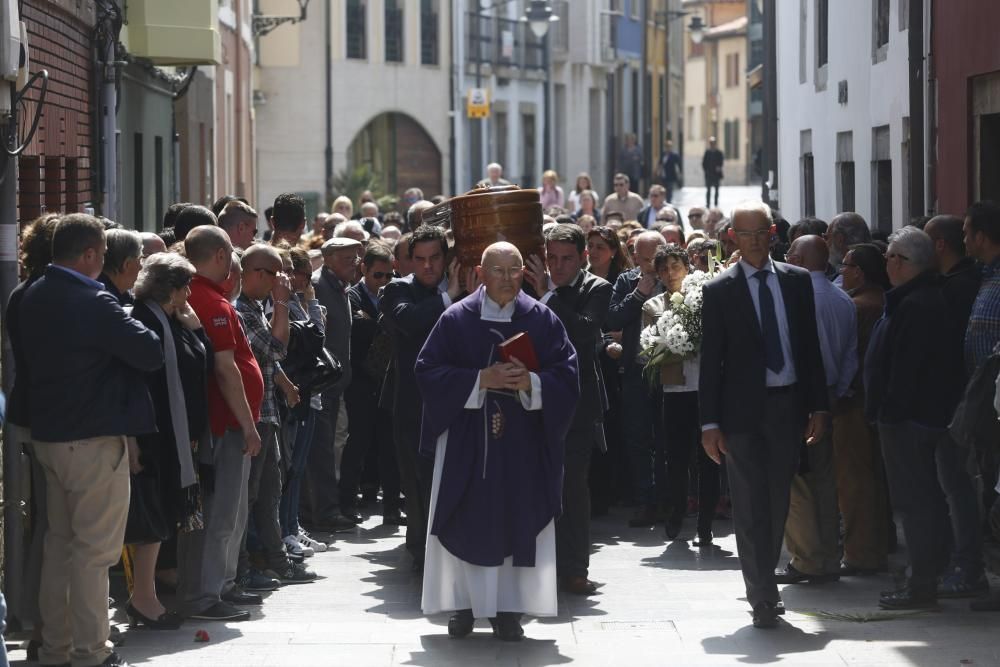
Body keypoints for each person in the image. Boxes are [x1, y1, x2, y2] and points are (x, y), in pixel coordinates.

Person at [21, 214, 164, 667]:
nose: (104, 263)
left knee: (59, 546)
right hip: (93, 439)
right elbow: (149, 350)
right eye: (101, 254)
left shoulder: (30, 294)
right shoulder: (93, 299)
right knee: (93, 553)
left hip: (48, 436)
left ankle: (56, 648)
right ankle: (90, 651)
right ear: (88, 254)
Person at [416, 241, 579, 641]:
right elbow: (427, 369)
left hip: (523, 443)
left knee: (518, 515)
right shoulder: (457, 318)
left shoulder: (542, 319)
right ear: (481, 274)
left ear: (525, 271)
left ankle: (510, 610)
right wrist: (478, 380)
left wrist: (533, 383)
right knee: (467, 517)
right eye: (498, 271)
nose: (507, 279)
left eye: (514, 270)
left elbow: (569, 375)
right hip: (467, 442)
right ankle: (464, 606)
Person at [699, 201, 829, 629]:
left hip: (787, 406)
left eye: (761, 233)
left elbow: (809, 348)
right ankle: (762, 595)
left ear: (773, 233)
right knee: (750, 504)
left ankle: (766, 581)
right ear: (732, 236)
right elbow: (711, 361)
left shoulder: (796, 282)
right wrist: (709, 424)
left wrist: (819, 406)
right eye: (745, 234)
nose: (754, 241)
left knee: (777, 501)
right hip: (740, 415)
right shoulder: (720, 289)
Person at [864, 227, 965, 610]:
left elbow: (906, 369)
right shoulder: (913, 299)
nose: (887, 263)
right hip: (912, 418)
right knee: (923, 500)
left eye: (893, 256)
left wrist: (889, 413)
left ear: (907, 263)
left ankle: (922, 582)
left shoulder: (918, 303)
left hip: (910, 421)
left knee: (916, 502)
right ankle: (925, 575)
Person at [179, 225, 264, 623]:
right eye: (231, 253)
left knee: (231, 511)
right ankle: (205, 595)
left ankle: (221, 585)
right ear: (219, 255)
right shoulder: (209, 300)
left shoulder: (203, 295)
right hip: (225, 425)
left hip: (223, 423)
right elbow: (226, 370)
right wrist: (248, 426)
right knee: (221, 513)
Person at [524, 224, 612, 596]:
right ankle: (534, 565)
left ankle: (576, 568)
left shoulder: (596, 289)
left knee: (573, 486)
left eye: (567, 259)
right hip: (529, 400)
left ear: (582, 258)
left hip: (576, 403)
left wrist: (548, 294)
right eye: (552, 258)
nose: (557, 267)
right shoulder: (528, 285)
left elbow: (584, 332)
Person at [127, 253, 212, 630]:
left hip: (175, 435)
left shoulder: (173, 319)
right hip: (155, 434)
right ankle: (143, 598)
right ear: (172, 290)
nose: (191, 292)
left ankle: (148, 594)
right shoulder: (145, 318)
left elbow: (196, 364)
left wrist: (196, 331)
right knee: (153, 515)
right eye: (186, 286)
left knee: (161, 515)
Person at [380, 226, 467, 570]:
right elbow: (409, 321)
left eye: (434, 258)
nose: (428, 266)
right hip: (413, 407)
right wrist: (451, 297)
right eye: (420, 259)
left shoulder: (468, 289)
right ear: (410, 261)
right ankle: (421, 555)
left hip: (458, 404)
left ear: (445, 259)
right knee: (416, 485)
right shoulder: (397, 290)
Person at [778, 235, 857, 585]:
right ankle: (827, 558)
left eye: (788, 254)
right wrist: (835, 394)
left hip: (802, 396)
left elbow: (804, 354)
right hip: (830, 394)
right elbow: (850, 354)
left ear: (796, 257)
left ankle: (808, 558)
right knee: (824, 480)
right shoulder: (842, 297)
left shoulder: (798, 295)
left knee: (797, 480)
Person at [235, 244, 316, 585]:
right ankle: (241, 569)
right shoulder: (243, 311)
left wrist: (284, 383)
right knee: (248, 497)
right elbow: (276, 347)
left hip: (268, 412)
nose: (280, 281)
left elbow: (267, 361)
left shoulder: (254, 308)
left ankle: (277, 561)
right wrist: (282, 303)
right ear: (255, 273)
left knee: (270, 492)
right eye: (275, 273)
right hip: (253, 417)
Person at [923, 213, 989, 599]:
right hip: (961, 400)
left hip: (966, 401)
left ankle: (968, 565)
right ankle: (958, 561)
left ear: (939, 246)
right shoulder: (963, 281)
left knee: (958, 486)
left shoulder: (961, 286)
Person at [3, 215, 58, 643]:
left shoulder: (24, 293)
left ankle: (36, 613)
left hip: (30, 414)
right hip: (47, 419)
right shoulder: (47, 295)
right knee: (47, 521)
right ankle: (37, 616)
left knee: (41, 518)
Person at [642, 246, 720, 544]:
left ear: (688, 267)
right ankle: (676, 513)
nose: (671, 274)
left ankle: (706, 523)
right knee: (675, 458)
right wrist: (677, 344)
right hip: (675, 390)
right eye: (664, 269)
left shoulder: (705, 295)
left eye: (676, 266)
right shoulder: (653, 306)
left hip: (706, 388)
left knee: (709, 458)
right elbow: (649, 351)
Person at [834, 244, 891, 577]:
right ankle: (875, 545)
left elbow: (850, 357)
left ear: (860, 271)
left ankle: (860, 552)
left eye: (846, 265)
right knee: (873, 477)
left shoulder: (858, 307)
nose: (841, 271)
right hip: (872, 401)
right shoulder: (878, 301)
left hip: (854, 402)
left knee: (854, 480)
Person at [608, 231, 667, 526]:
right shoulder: (626, 281)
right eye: (643, 259)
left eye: (654, 259)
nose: (650, 265)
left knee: (668, 437)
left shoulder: (676, 276)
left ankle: (671, 499)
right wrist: (639, 294)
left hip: (671, 372)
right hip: (637, 370)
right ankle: (646, 500)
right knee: (638, 437)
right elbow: (613, 318)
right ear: (633, 257)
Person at [304, 237, 363, 533]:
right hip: (321, 385)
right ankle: (324, 513)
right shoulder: (318, 286)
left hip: (335, 384)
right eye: (346, 258)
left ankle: (322, 510)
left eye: (355, 257)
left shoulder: (341, 287)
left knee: (326, 449)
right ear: (327, 258)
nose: (354, 263)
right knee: (322, 453)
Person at [344, 242, 400, 523]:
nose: (384, 282)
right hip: (362, 382)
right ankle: (348, 502)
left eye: (389, 276)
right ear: (364, 270)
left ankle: (391, 506)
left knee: (389, 447)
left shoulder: (394, 294)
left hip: (387, 380)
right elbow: (359, 329)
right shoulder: (352, 296)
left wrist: (376, 322)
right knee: (359, 444)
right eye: (378, 275)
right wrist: (381, 323)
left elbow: (393, 326)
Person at [99, 228, 142, 305]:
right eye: (139, 259)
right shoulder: (106, 302)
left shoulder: (122, 295)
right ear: (126, 264)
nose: (141, 267)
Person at [702, 137, 724, 208]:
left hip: (716, 174)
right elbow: (704, 163)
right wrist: (706, 170)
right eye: (711, 143)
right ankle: (708, 203)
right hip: (709, 174)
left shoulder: (719, 153)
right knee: (708, 190)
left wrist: (719, 167)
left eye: (713, 143)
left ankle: (716, 203)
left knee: (716, 190)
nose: (712, 145)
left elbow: (721, 162)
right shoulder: (707, 152)